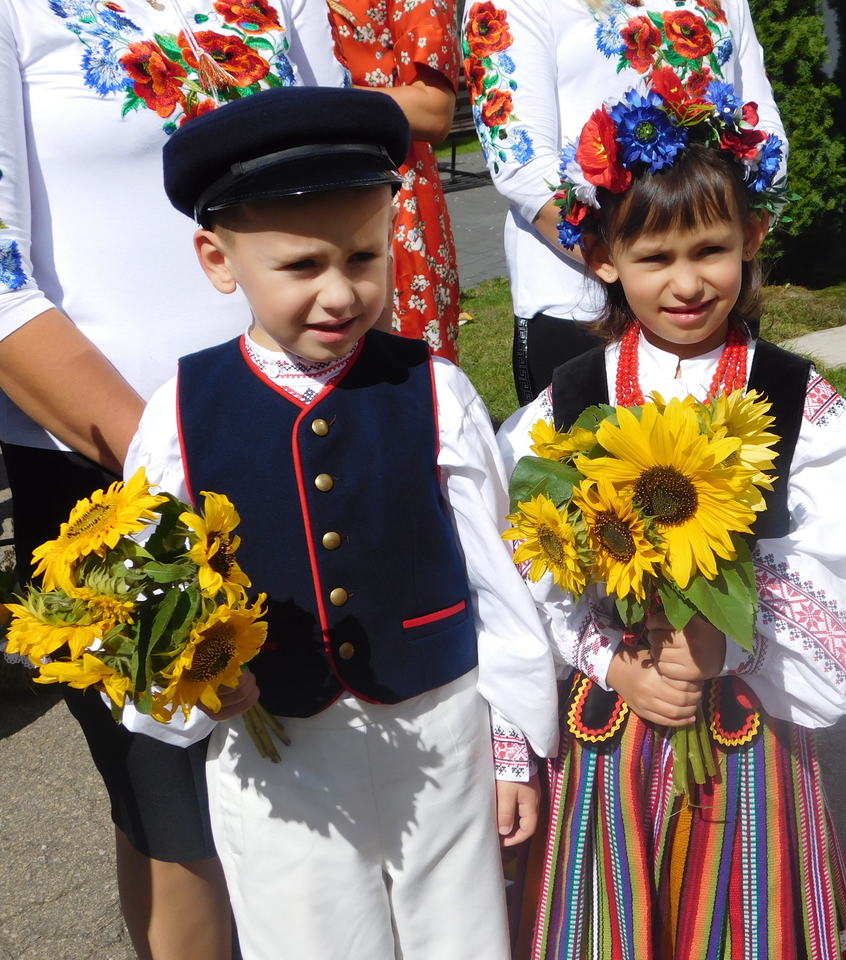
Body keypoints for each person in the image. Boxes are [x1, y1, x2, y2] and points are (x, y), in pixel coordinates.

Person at [121, 85, 558, 959]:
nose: (338, 293)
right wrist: (191, 689)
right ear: (218, 259)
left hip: (438, 728)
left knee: (463, 935)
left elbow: (500, 578)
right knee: (309, 937)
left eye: (362, 257)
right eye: (300, 266)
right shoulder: (181, 413)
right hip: (281, 755)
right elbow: (142, 599)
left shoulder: (434, 391)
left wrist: (513, 742)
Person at [497, 74, 846, 959]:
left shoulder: (797, 401)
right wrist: (611, 659)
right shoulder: (567, 405)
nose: (686, 283)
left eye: (711, 251)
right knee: (617, 917)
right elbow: (520, 568)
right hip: (613, 724)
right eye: (653, 258)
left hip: (748, 726)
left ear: (753, 239)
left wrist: (736, 639)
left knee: (739, 909)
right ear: (603, 256)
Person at [0, 5, 343, 957]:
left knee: (337, 784)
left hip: (310, 442)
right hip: (112, 484)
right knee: (176, 816)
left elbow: (339, 187)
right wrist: (172, 467)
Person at [462, 0, 785, 404]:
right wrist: (633, 261)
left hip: (713, 291)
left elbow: (761, 129)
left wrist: (725, 246)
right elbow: (518, 159)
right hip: (583, 299)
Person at [327, 0, 464, 360]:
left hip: (390, 198)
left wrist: (308, 100)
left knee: (399, 377)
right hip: (295, 197)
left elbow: (433, 110)